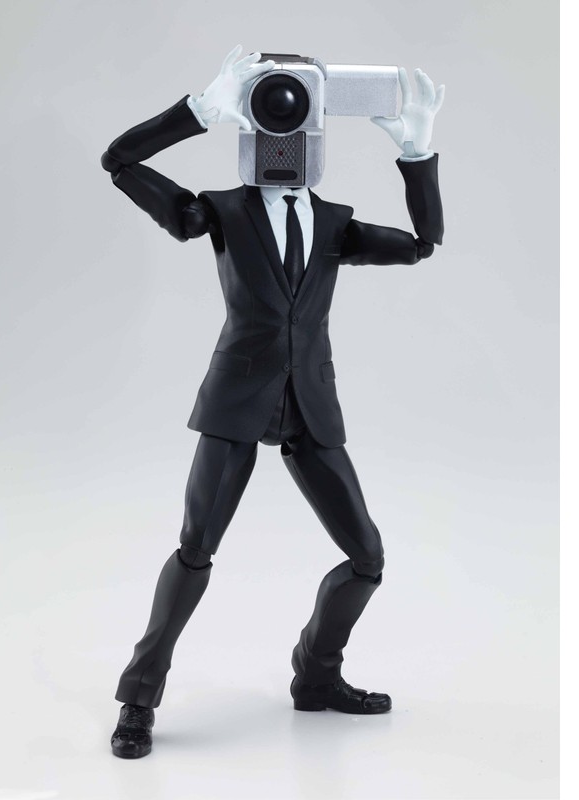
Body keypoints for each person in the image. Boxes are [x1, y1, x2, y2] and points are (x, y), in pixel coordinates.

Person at [101, 46, 445, 759]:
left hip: (309, 404)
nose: (282, 135)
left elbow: (423, 244)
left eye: (296, 120)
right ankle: (139, 696)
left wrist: (416, 153)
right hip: (237, 400)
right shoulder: (222, 212)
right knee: (196, 550)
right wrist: (198, 111)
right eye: (267, 118)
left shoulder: (334, 222)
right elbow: (119, 161)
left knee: (368, 556)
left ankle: (316, 675)